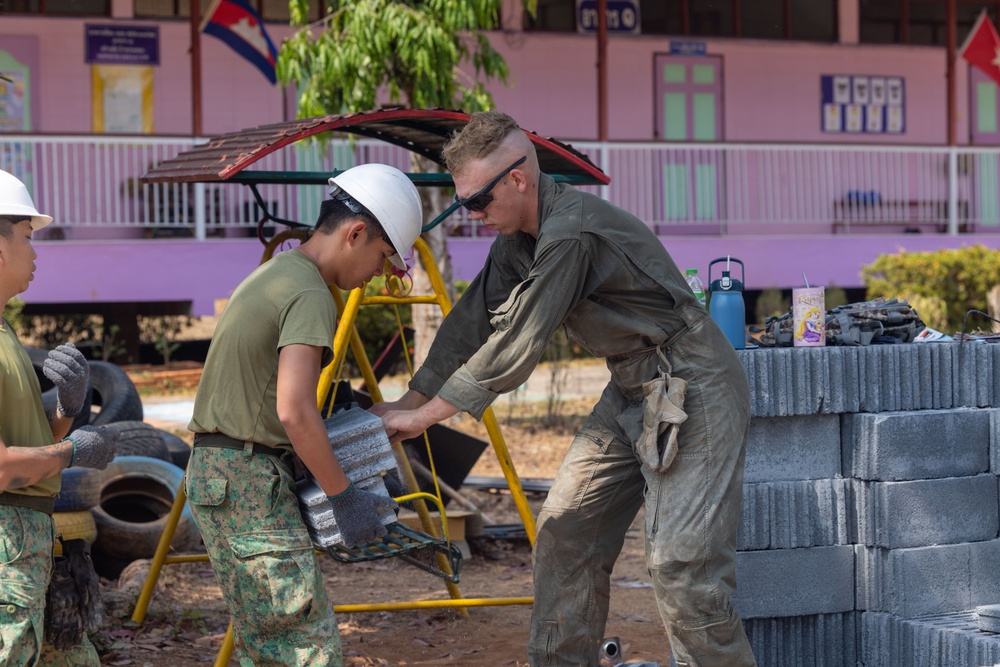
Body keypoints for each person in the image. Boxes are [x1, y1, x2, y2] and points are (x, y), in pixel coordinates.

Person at [375, 111, 756, 667]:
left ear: (518, 179)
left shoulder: (569, 232)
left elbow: (520, 338)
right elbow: (471, 323)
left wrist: (426, 416)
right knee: (564, 531)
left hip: (692, 381)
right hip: (632, 383)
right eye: (462, 204)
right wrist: (405, 404)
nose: (472, 214)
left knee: (684, 569)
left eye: (477, 200)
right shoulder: (517, 238)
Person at [185, 163, 423, 666]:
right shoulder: (312, 292)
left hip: (225, 474)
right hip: (248, 479)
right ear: (355, 233)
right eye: (382, 256)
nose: (380, 271)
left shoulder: (280, 272)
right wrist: (344, 497)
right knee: (302, 645)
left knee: (266, 642)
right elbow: (293, 411)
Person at [0, 169, 119, 667]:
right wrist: (74, 451)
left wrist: (66, 412)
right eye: (27, 238)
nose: (35, 253)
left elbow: (24, 445)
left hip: (28, 546)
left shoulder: (4, 332)